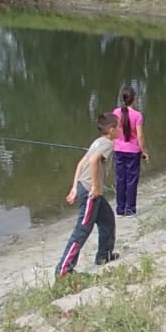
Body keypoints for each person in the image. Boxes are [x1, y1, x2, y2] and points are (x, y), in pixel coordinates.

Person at [55, 111, 121, 277]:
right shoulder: (107, 144)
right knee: (82, 230)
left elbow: (81, 163)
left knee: (107, 220)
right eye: (119, 127)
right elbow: (92, 161)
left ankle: (104, 256)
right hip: (90, 192)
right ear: (111, 129)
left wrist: (74, 187)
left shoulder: (97, 142)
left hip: (85, 187)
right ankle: (64, 271)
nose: (121, 129)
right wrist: (96, 186)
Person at [112, 86, 148, 217]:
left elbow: (112, 131)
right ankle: (130, 209)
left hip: (118, 150)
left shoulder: (115, 113)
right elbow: (140, 136)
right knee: (131, 180)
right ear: (134, 98)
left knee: (120, 179)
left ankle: (120, 209)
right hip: (133, 152)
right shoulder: (137, 115)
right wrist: (143, 151)